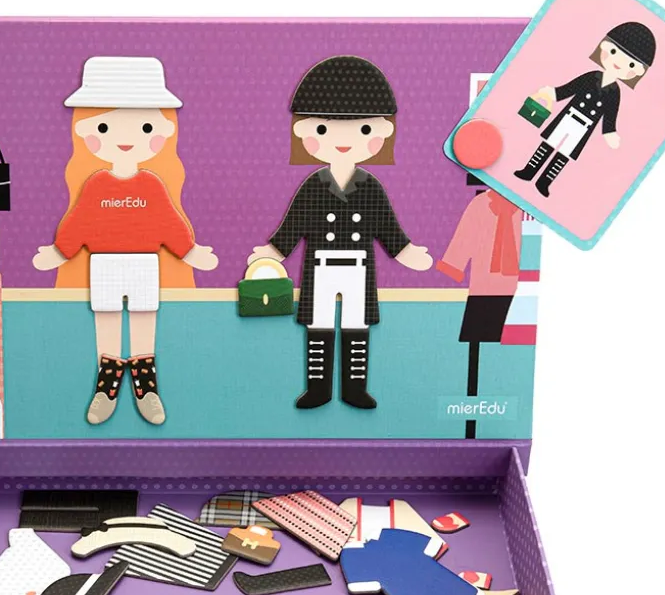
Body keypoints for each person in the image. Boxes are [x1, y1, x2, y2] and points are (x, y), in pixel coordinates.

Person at [32, 56, 218, 426]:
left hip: (145, 264)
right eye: (106, 127)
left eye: (144, 127)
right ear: (91, 135)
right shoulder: (96, 184)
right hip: (103, 264)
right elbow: (79, 221)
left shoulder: (151, 184)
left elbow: (169, 222)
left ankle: (147, 389)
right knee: (107, 324)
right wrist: (59, 252)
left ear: (159, 135)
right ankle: (107, 388)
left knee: (145, 323)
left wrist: (190, 251)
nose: (126, 139)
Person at [245, 56, 432, 410]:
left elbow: (387, 225)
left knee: (356, 326)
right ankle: (318, 389)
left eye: (362, 130)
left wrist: (405, 251)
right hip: (320, 265)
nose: (343, 141)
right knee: (318, 326)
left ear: (378, 135)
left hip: (359, 266)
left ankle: (354, 389)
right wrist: (275, 251)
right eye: (324, 129)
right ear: (307, 134)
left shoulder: (370, 186)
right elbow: (294, 223)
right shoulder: (313, 185)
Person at [514, 21, 656, 197]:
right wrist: (553, 93)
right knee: (548, 144)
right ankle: (529, 171)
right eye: (614, 52)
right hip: (568, 117)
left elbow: (610, 115)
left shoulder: (614, 92)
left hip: (584, 127)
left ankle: (544, 181)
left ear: (637, 71)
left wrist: (609, 132)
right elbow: (570, 89)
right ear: (605, 47)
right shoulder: (591, 76)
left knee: (564, 155)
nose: (619, 63)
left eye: (631, 65)